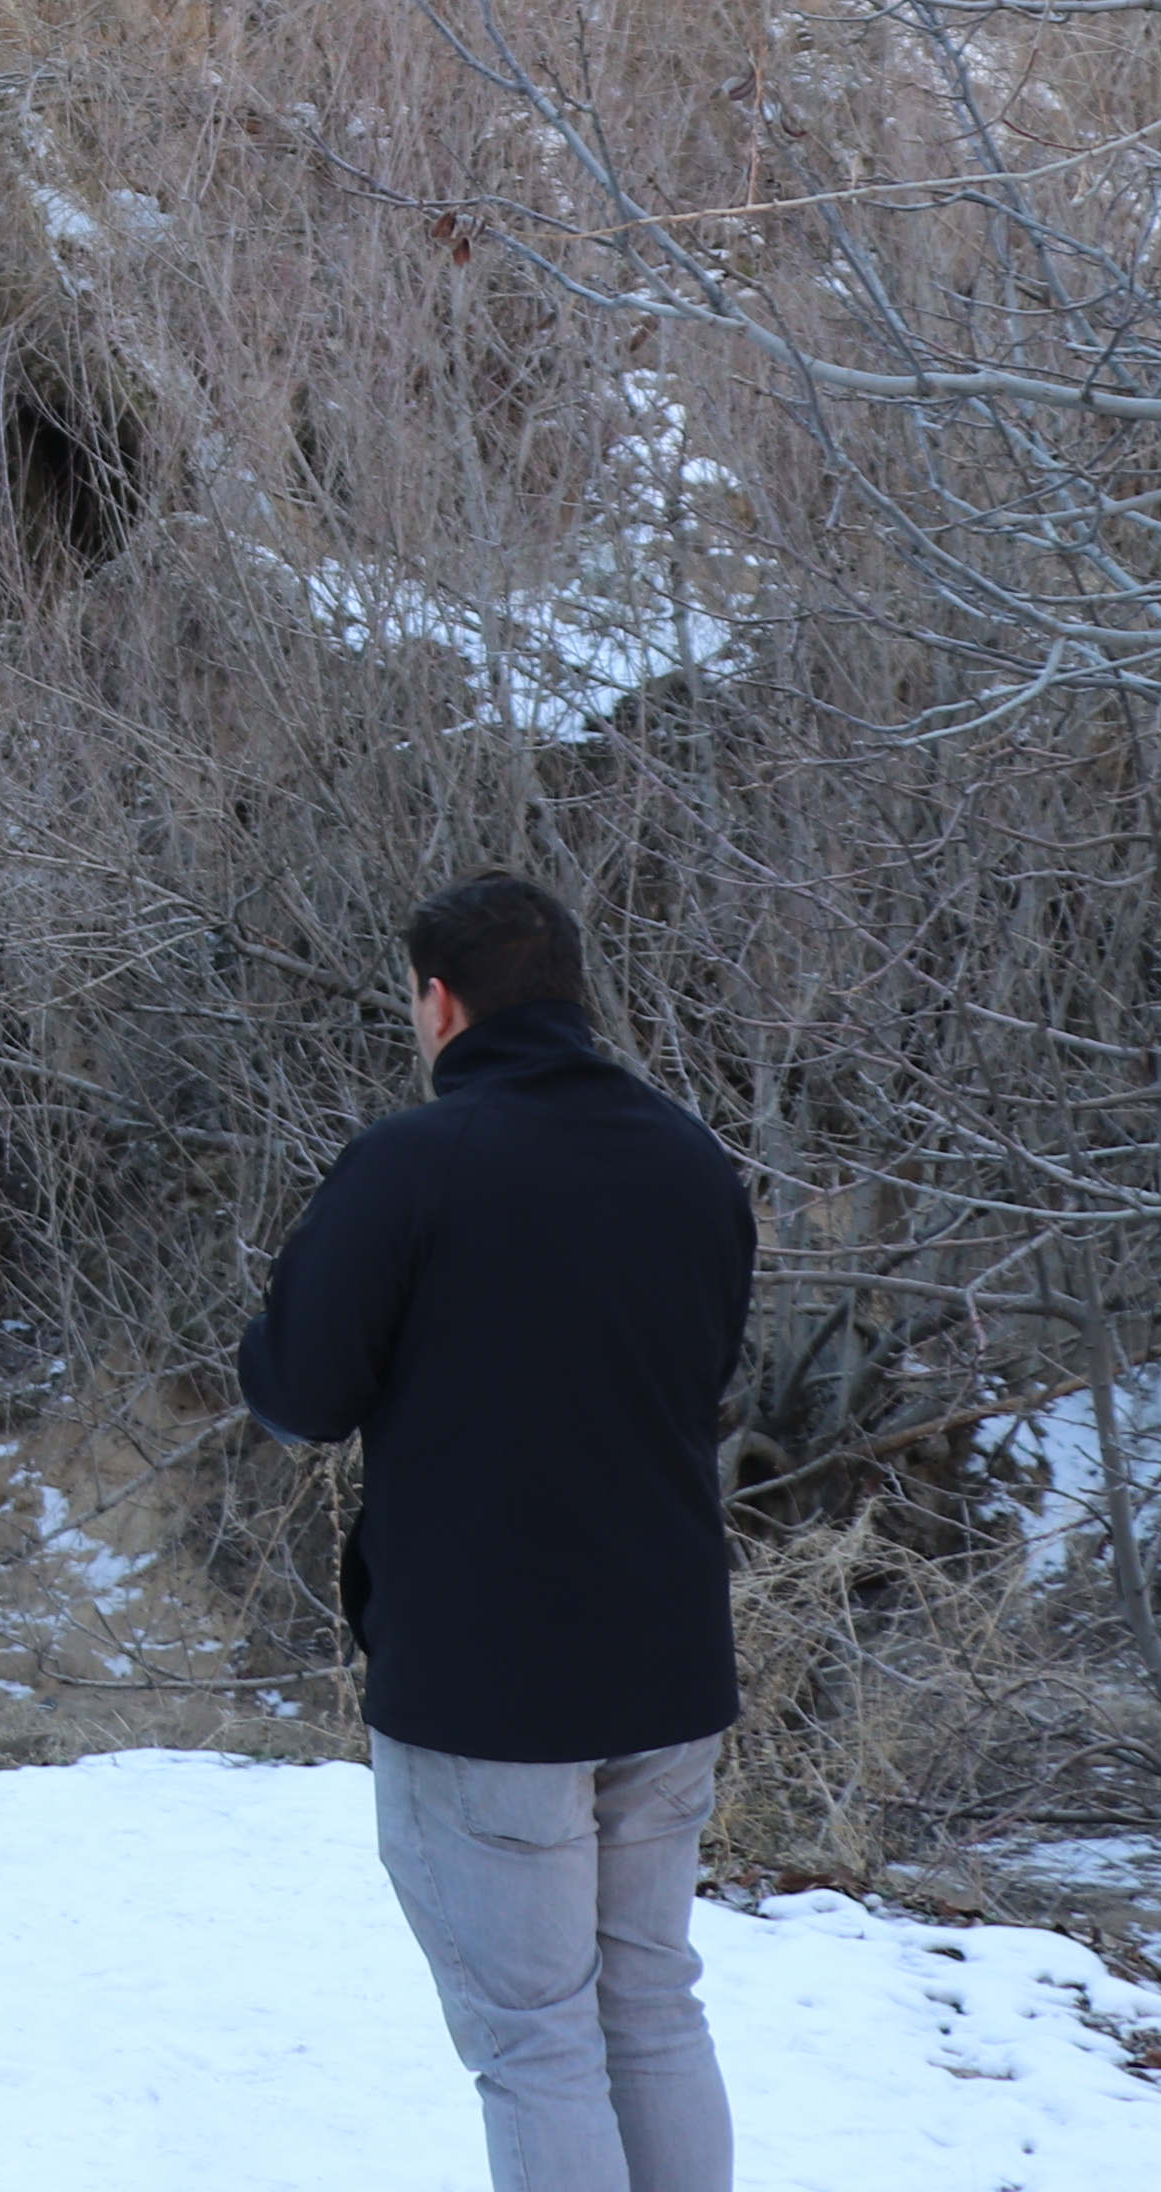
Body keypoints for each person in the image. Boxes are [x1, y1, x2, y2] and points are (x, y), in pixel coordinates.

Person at [236, 874, 755, 2192]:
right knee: (652, 2010)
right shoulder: (694, 1161)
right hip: (669, 1661)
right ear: (574, 996)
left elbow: (298, 1393)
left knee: (535, 2044)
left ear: (439, 1002)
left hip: (489, 1687)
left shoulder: (415, 1164)